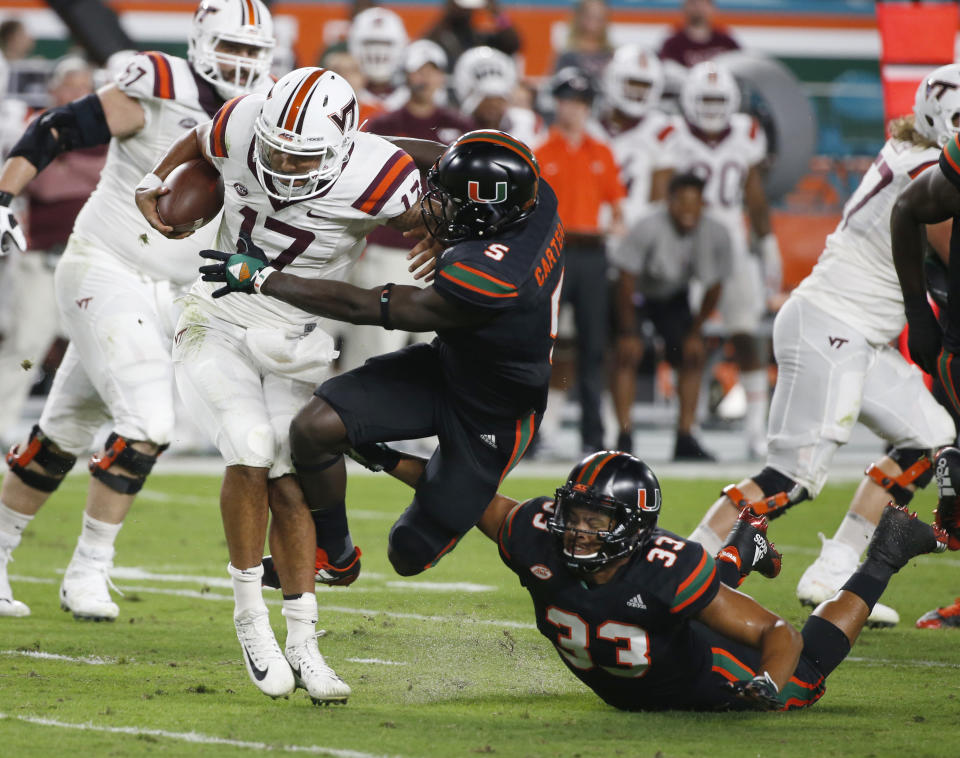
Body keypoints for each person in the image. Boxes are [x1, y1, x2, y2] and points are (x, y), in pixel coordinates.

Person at [135, 67, 433, 704]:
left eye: (298, 156)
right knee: (248, 445)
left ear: (341, 148)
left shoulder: (377, 176)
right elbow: (199, 139)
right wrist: (153, 182)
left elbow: (428, 214)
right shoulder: (244, 119)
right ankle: (250, 617)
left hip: (294, 339)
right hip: (214, 317)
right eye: (273, 149)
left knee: (289, 478)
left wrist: (439, 238)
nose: (279, 165)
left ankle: (304, 640)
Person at [0, 0, 276, 621]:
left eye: (251, 53)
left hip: (174, 294)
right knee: (150, 421)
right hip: (107, 264)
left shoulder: (260, 116)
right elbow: (60, 127)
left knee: (64, 430)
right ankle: (89, 570)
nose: (239, 62)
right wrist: (4, 195)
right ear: (203, 41)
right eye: (230, 47)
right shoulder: (160, 79)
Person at [197, 129, 563, 587]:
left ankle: (395, 463)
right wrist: (338, 147)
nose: (434, 208)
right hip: (447, 366)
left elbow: (365, 307)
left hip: (497, 409)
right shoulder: (532, 194)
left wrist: (264, 279)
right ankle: (335, 554)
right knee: (314, 428)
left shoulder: (492, 275)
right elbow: (437, 156)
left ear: (486, 216)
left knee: (408, 552)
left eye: (450, 204)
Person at [348, 447, 946, 710]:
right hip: (646, 655)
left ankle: (885, 554)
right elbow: (461, 493)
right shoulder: (534, 532)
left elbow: (779, 635)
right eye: (573, 514)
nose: (577, 531)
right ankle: (746, 544)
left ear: (633, 527)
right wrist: (384, 457)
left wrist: (768, 685)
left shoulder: (667, 566)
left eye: (595, 520)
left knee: (807, 678)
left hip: (698, 680)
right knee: (696, 592)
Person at [689, 66, 960, 628]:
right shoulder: (927, 167)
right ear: (938, 120)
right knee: (793, 475)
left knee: (930, 439)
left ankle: (834, 567)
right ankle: (687, 562)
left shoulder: (909, 146)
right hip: (832, 325)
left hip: (855, 331)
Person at [658, 60, 781, 460]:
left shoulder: (746, 131)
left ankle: (754, 430)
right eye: (705, 99)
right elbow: (662, 195)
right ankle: (685, 429)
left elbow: (754, 192)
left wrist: (767, 242)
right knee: (685, 338)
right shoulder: (671, 134)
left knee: (746, 333)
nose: (711, 107)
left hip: (734, 246)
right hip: (687, 247)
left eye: (718, 99)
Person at [339, 39, 474, 372]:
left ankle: (426, 424)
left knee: (435, 352)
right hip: (387, 249)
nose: (426, 78)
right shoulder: (383, 125)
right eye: (419, 69)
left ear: (443, 76)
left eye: (433, 70)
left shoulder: (463, 127)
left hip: (441, 253)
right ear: (406, 74)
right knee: (373, 350)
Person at [0, 57, 107, 445]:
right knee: (25, 344)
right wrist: (85, 173)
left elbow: (111, 178)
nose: (78, 95)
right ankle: (0, 424)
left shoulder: (107, 129)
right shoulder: (39, 126)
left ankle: (82, 431)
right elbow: (44, 186)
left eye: (85, 86)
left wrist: (67, 166)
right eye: (71, 86)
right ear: (54, 90)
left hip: (92, 260)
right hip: (41, 257)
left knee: (99, 346)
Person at [535, 67, 625, 454]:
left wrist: (612, 229)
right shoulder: (541, 152)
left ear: (588, 108)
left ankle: (593, 437)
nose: (572, 109)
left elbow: (618, 209)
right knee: (539, 344)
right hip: (555, 253)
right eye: (567, 101)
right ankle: (533, 435)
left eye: (580, 102)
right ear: (557, 104)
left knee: (592, 348)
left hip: (590, 255)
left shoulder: (601, 153)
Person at [611, 173, 731, 460]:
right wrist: (629, 331)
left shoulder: (716, 232)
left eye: (696, 202)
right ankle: (624, 435)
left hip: (674, 298)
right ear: (670, 202)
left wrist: (694, 333)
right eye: (683, 202)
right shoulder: (648, 225)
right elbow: (625, 280)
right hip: (636, 295)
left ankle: (685, 436)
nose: (689, 210)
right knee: (628, 353)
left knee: (693, 354)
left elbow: (715, 287)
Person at [452, 45, 545, 149]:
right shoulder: (453, 129)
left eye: (499, 98)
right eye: (487, 98)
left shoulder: (525, 123)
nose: (493, 105)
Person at [425, 0, 520, 71]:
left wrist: (497, 13)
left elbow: (512, 44)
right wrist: (447, 14)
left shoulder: (481, 38)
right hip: (449, 92)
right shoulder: (441, 37)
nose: (465, 11)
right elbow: (423, 45)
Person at [346, 7, 408, 113]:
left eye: (385, 44)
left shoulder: (410, 98)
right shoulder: (344, 95)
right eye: (370, 43)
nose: (377, 52)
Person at [659, 0, 739, 69]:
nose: (698, 8)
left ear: (712, 7)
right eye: (693, 3)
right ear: (684, 7)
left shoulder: (726, 41)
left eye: (703, 3)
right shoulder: (672, 45)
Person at [553, 0, 613, 81]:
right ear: (580, 18)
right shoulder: (568, 56)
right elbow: (558, 86)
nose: (596, 22)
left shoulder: (613, 55)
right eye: (591, 16)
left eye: (601, 17)